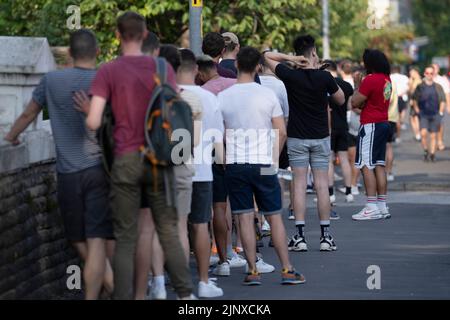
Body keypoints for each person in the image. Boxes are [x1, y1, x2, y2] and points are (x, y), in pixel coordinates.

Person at [85, 11, 194, 300]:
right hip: (158, 160)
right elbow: (175, 108)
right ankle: (186, 296)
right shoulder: (162, 67)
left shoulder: (108, 71)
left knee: (125, 238)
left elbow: (94, 122)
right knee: (167, 229)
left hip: (125, 160)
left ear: (118, 35)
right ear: (145, 35)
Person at [5, 29, 114, 299]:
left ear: (70, 53)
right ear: (97, 52)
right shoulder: (107, 80)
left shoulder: (51, 80)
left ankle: (109, 287)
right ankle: (113, 286)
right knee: (97, 238)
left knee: (78, 238)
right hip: (100, 171)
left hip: (68, 174)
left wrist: (10, 136)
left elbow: (30, 112)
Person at [219, 46, 305, 285]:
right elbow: (282, 132)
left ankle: (252, 270)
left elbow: (219, 134)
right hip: (264, 162)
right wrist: (273, 159)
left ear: (236, 65)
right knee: (274, 216)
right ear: (258, 66)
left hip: (236, 163)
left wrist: (225, 161)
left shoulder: (224, 96)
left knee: (243, 217)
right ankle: (287, 269)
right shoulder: (267, 95)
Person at [264, 35, 344, 252]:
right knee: (321, 185)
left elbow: (266, 56)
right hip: (320, 137)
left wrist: (290, 58)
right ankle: (326, 236)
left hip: (297, 137)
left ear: (298, 54)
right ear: (315, 52)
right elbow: (341, 99)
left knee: (298, 184)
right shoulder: (325, 77)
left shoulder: (289, 75)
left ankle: (299, 237)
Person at [177, 48, 225, 297]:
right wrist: (224, 163)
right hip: (203, 170)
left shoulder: (169, 95)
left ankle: (173, 283)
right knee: (199, 226)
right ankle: (204, 281)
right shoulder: (208, 98)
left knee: (175, 227)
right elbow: (218, 139)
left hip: (174, 169)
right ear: (196, 70)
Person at [196, 55, 249, 276]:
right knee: (231, 206)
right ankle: (232, 253)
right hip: (237, 147)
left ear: (199, 73)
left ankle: (218, 258)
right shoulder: (235, 85)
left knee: (202, 211)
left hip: (207, 149)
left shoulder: (204, 92)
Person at [351, 49, 392, 221]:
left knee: (366, 164)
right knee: (379, 164)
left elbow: (354, 102)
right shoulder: (386, 80)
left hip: (370, 125)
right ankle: (381, 205)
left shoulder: (370, 80)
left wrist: (357, 85)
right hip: (383, 123)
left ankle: (371, 206)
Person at [324, 60, 354, 206]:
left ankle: (331, 194)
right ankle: (349, 192)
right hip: (343, 126)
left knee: (329, 160)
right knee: (344, 159)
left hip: (328, 128)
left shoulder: (323, 84)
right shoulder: (347, 85)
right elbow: (349, 106)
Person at [412, 66, 447, 162]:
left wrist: (440, 112)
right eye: (427, 73)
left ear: (433, 74)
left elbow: (443, 100)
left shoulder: (438, 87)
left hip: (435, 114)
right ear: (424, 74)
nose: (429, 75)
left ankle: (432, 154)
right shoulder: (420, 87)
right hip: (423, 113)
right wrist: (416, 109)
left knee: (433, 135)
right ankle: (426, 150)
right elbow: (414, 98)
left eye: (431, 73)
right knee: (423, 134)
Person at [431, 63, 450, 151]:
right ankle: (433, 141)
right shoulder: (426, 79)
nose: (434, 70)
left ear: (438, 70)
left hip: (440, 105)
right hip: (429, 106)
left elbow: (447, 93)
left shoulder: (442, 80)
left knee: (440, 124)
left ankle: (439, 141)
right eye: (432, 68)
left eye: (435, 68)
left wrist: (448, 106)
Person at [390, 65, 410, 138]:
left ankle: (397, 126)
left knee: (395, 114)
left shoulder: (390, 76)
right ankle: (401, 122)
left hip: (393, 97)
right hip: (402, 96)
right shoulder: (404, 77)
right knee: (402, 111)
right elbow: (408, 87)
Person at [386, 81, 399, 182]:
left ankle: (388, 172)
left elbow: (388, 100)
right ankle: (388, 172)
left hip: (386, 117)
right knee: (388, 146)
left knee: (387, 146)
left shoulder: (387, 83)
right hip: (391, 118)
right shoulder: (391, 83)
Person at [408, 67, 423, 141]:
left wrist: (410, 82)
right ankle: (417, 134)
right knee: (413, 118)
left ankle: (418, 134)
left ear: (416, 72)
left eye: (412, 73)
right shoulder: (415, 80)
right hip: (414, 101)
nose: (411, 74)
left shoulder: (418, 81)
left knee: (415, 118)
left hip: (416, 102)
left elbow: (413, 91)